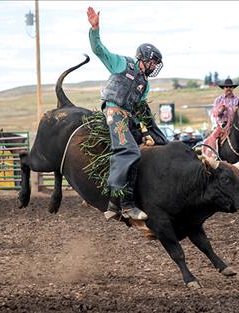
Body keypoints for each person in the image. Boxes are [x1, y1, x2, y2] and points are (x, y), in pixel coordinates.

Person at [87, 7, 166, 221]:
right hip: (114, 111)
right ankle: (120, 203)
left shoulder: (145, 85)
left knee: (138, 151)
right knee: (129, 150)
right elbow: (99, 50)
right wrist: (95, 29)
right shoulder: (123, 63)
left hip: (128, 117)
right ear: (143, 58)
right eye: (153, 62)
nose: (154, 67)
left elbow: (140, 110)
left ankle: (121, 203)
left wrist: (145, 130)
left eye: (156, 64)